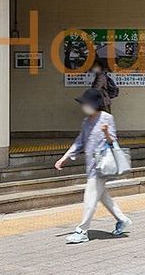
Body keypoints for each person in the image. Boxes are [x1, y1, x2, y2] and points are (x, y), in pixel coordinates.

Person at [56, 89, 131, 244]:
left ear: (94, 104)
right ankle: (123, 220)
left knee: (90, 197)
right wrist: (64, 158)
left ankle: (82, 231)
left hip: (101, 166)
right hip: (91, 165)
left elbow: (112, 141)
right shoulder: (86, 121)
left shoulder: (107, 118)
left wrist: (106, 132)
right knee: (104, 197)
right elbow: (79, 141)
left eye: (86, 103)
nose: (83, 106)